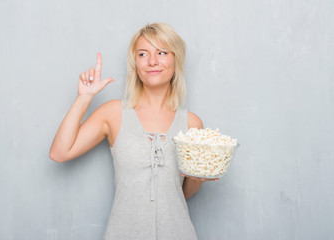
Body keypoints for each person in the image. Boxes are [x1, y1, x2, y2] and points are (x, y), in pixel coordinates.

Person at [50, 22, 217, 240]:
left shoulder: (192, 124)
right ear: (135, 64)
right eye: (143, 54)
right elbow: (60, 153)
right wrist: (84, 98)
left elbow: (181, 193)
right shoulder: (113, 114)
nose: (153, 61)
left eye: (162, 52)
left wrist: (197, 177)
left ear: (175, 61)